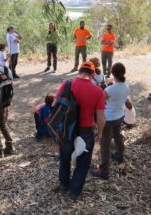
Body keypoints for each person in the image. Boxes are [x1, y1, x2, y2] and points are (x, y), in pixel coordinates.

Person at [54, 62, 105, 201]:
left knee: (64, 157)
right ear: (93, 74)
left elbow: (55, 104)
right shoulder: (98, 91)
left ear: (79, 71)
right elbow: (101, 117)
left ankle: (64, 183)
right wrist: (100, 133)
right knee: (83, 163)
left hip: (66, 128)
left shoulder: (67, 84)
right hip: (86, 130)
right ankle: (75, 192)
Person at [90, 62, 130, 179]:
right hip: (120, 116)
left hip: (109, 118)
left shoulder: (110, 89)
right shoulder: (126, 86)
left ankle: (104, 171)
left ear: (112, 73)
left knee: (105, 143)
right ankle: (119, 154)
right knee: (117, 135)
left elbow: (100, 100)